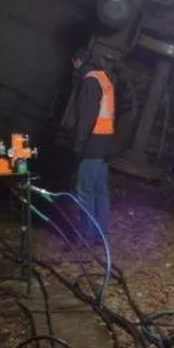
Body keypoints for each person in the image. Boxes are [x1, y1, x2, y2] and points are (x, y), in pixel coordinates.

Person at [71, 47, 116, 244]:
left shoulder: (89, 81)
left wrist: (79, 146)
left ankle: (86, 236)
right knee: (100, 190)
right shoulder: (104, 78)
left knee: (85, 191)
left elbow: (86, 118)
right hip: (105, 143)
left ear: (78, 61)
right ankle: (102, 234)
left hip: (92, 144)